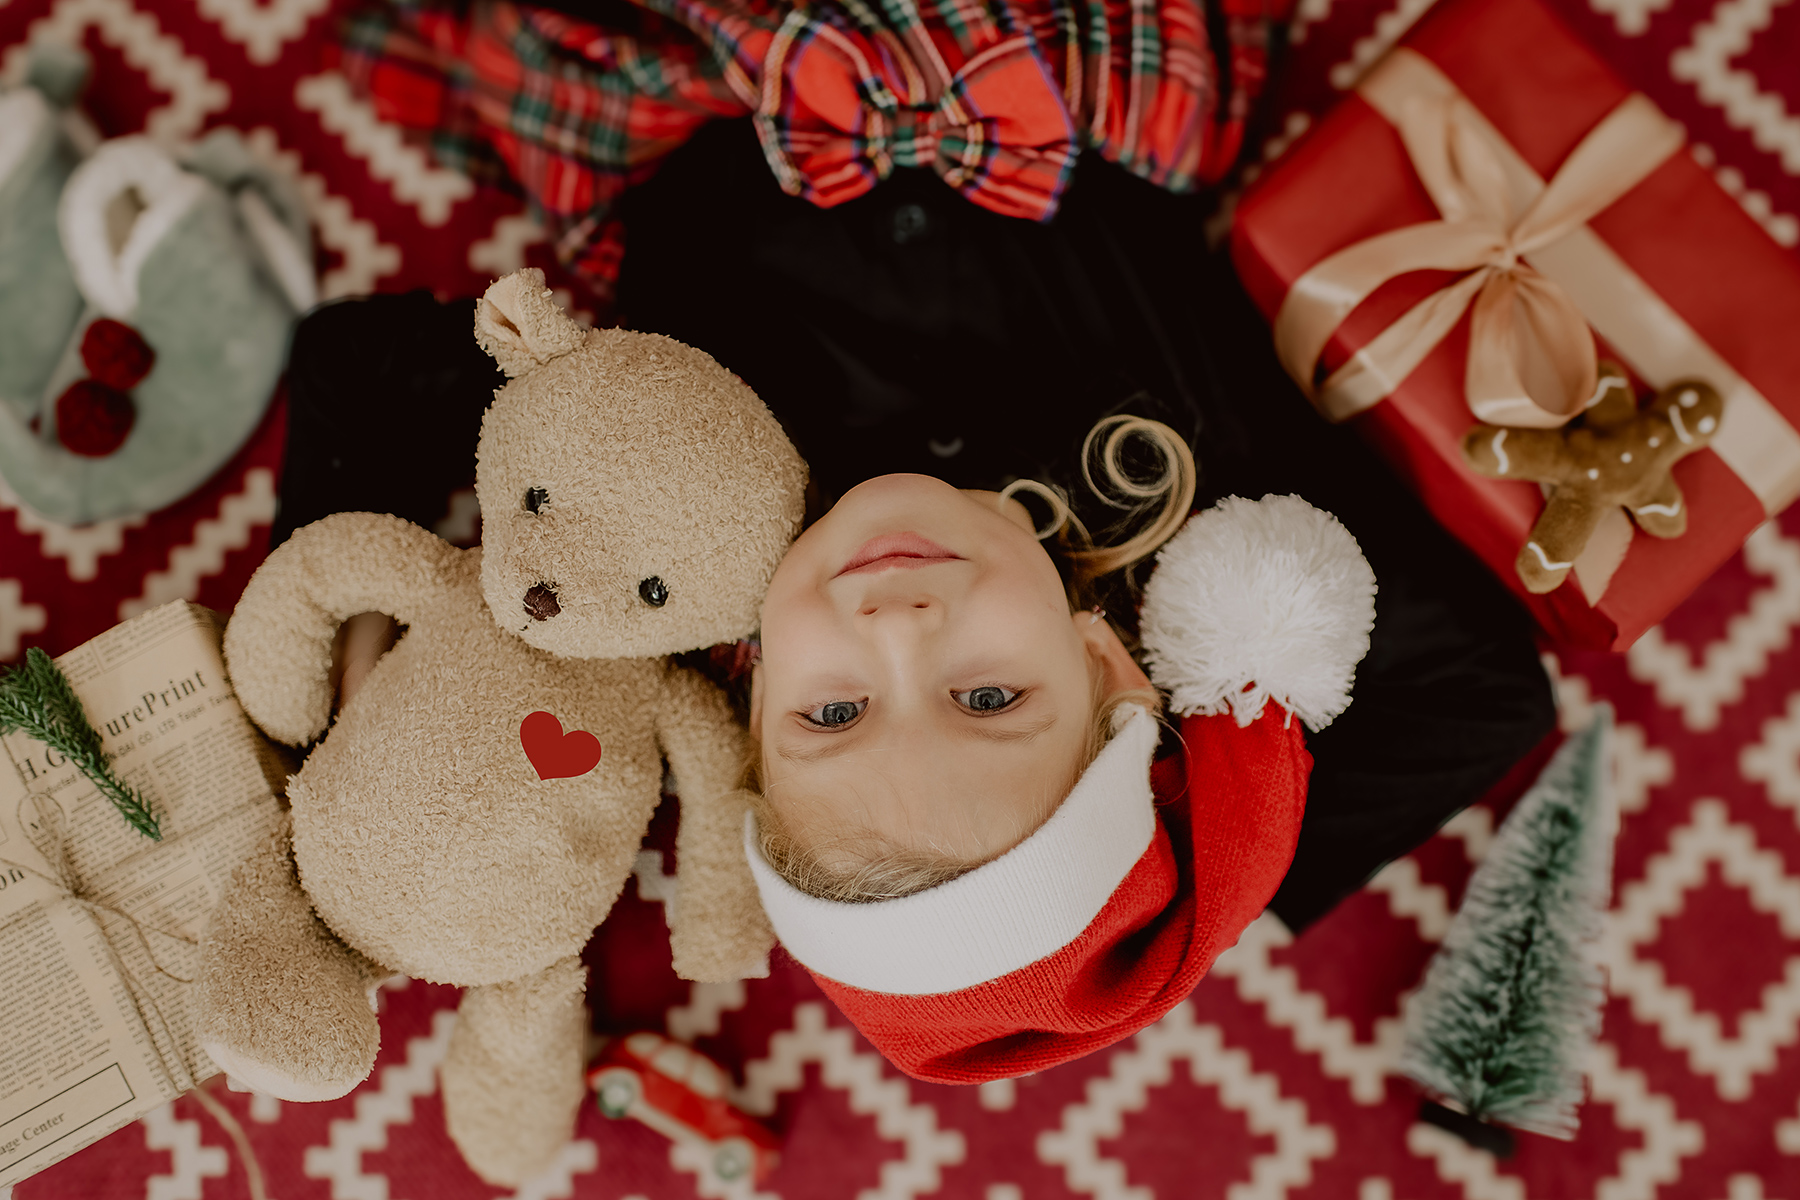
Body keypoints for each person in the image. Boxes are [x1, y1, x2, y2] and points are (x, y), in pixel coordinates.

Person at [288, 0, 1558, 1085]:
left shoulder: (649, 565)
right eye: (989, 698)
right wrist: (1212, 861)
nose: (897, 632)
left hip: (710, 85)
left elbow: (360, 371)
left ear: (752, 717)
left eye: (834, 713)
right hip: (1060, 60)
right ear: (1108, 667)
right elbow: (1487, 698)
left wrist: (352, 675)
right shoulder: (1195, 510)